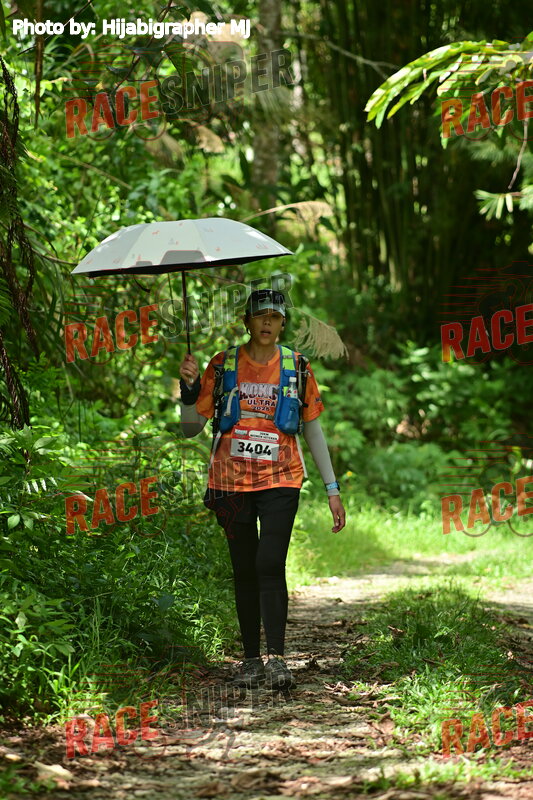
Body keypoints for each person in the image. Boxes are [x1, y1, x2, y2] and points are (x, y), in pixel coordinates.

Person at [178, 289, 346, 691]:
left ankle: (278, 659)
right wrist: (188, 391)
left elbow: (313, 429)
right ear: (247, 321)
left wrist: (332, 488)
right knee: (244, 569)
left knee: (269, 563)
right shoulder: (222, 365)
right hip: (229, 483)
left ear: (283, 323)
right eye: (260, 316)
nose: (267, 322)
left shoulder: (296, 366)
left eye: (274, 316)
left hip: (281, 479)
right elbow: (189, 428)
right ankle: (251, 660)